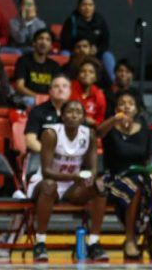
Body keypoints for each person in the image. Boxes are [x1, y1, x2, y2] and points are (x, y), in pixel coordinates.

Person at [28, 99, 108, 262]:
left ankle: (94, 243)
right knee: (50, 186)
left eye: (79, 112)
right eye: (70, 112)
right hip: (45, 182)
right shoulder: (51, 133)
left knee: (100, 186)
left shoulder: (89, 134)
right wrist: (75, 177)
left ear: (83, 117)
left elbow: (93, 168)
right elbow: (46, 171)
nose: (74, 115)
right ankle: (40, 243)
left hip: (73, 186)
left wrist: (90, 178)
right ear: (62, 116)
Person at [97, 91, 152, 261]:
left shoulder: (144, 128)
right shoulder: (110, 128)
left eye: (130, 103)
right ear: (116, 108)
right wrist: (114, 120)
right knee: (135, 186)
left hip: (138, 175)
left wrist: (148, 170)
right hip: (114, 177)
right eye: (122, 103)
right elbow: (98, 133)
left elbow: (148, 157)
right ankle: (131, 237)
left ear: (136, 109)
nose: (126, 106)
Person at [59, 0, 116, 81]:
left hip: (95, 54)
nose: (87, 8)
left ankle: (113, 84)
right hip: (75, 53)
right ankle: (63, 82)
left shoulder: (100, 21)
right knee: (64, 54)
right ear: (79, 7)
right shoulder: (71, 21)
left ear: (94, 7)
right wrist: (78, 49)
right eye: (84, 5)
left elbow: (105, 42)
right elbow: (65, 43)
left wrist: (97, 50)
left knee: (108, 56)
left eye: (90, 5)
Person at [25, 73, 71, 155]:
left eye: (64, 86)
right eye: (56, 86)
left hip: (70, 157)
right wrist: (50, 154)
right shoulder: (37, 111)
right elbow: (30, 140)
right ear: (50, 91)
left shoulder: (76, 112)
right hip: (42, 156)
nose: (61, 89)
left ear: (70, 91)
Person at [12, 28, 55, 108]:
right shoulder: (23, 61)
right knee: (29, 101)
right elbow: (20, 86)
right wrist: (38, 97)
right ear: (34, 43)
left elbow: (56, 88)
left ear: (51, 46)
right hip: (28, 98)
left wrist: (47, 98)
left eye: (47, 40)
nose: (43, 42)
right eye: (40, 38)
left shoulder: (54, 65)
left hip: (48, 99)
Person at [70, 58, 106, 126]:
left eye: (91, 72)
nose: (87, 74)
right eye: (83, 71)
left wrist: (94, 122)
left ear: (95, 78)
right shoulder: (69, 89)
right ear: (77, 76)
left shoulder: (99, 95)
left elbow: (100, 119)